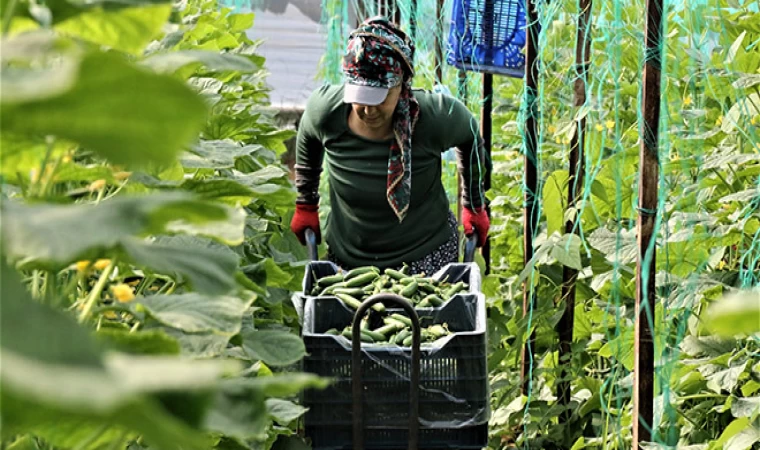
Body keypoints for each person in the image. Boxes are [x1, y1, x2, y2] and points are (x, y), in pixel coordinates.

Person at [290, 16, 489, 275]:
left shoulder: (433, 118)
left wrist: (473, 204)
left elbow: (470, 135)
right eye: (359, 97)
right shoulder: (327, 112)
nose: (368, 110)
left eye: (379, 98)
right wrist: (306, 203)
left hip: (426, 256)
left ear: (401, 85)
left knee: (427, 315)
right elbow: (307, 135)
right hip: (349, 261)